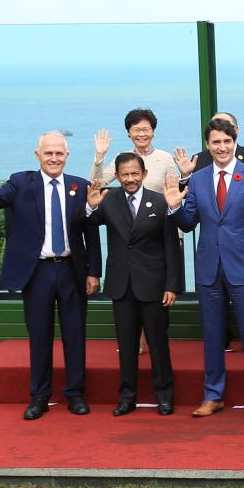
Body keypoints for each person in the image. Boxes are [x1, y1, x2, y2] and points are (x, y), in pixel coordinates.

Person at [0, 133, 101, 420]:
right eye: (49, 153)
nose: (54, 158)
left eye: (59, 153)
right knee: (40, 336)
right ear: (37, 155)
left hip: (72, 270)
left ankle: (75, 394)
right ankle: (40, 397)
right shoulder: (21, 183)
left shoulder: (80, 186)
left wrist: (94, 271)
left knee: (75, 335)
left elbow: (90, 232)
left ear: (67, 155)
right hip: (38, 272)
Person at [164, 117, 244, 419]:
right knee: (212, 335)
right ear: (208, 145)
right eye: (216, 142)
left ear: (234, 140)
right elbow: (189, 223)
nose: (222, 147)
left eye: (227, 141)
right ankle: (213, 395)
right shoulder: (198, 179)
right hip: (209, 268)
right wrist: (174, 206)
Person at [84, 152, 182, 416]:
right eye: (124, 175)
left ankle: (165, 396)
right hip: (121, 285)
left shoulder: (161, 203)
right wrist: (91, 207)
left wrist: (172, 285)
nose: (130, 179)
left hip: (154, 285)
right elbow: (90, 221)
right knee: (126, 346)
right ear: (117, 176)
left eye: (134, 174)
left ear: (144, 175)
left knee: (158, 344)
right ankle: (127, 397)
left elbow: (172, 248)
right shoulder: (109, 199)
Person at [89, 108, 180, 191]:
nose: (141, 134)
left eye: (146, 129)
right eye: (136, 130)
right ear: (129, 133)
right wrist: (100, 154)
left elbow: (172, 189)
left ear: (153, 132)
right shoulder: (121, 158)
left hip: (157, 208)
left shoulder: (165, 158)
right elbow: (96, 185)